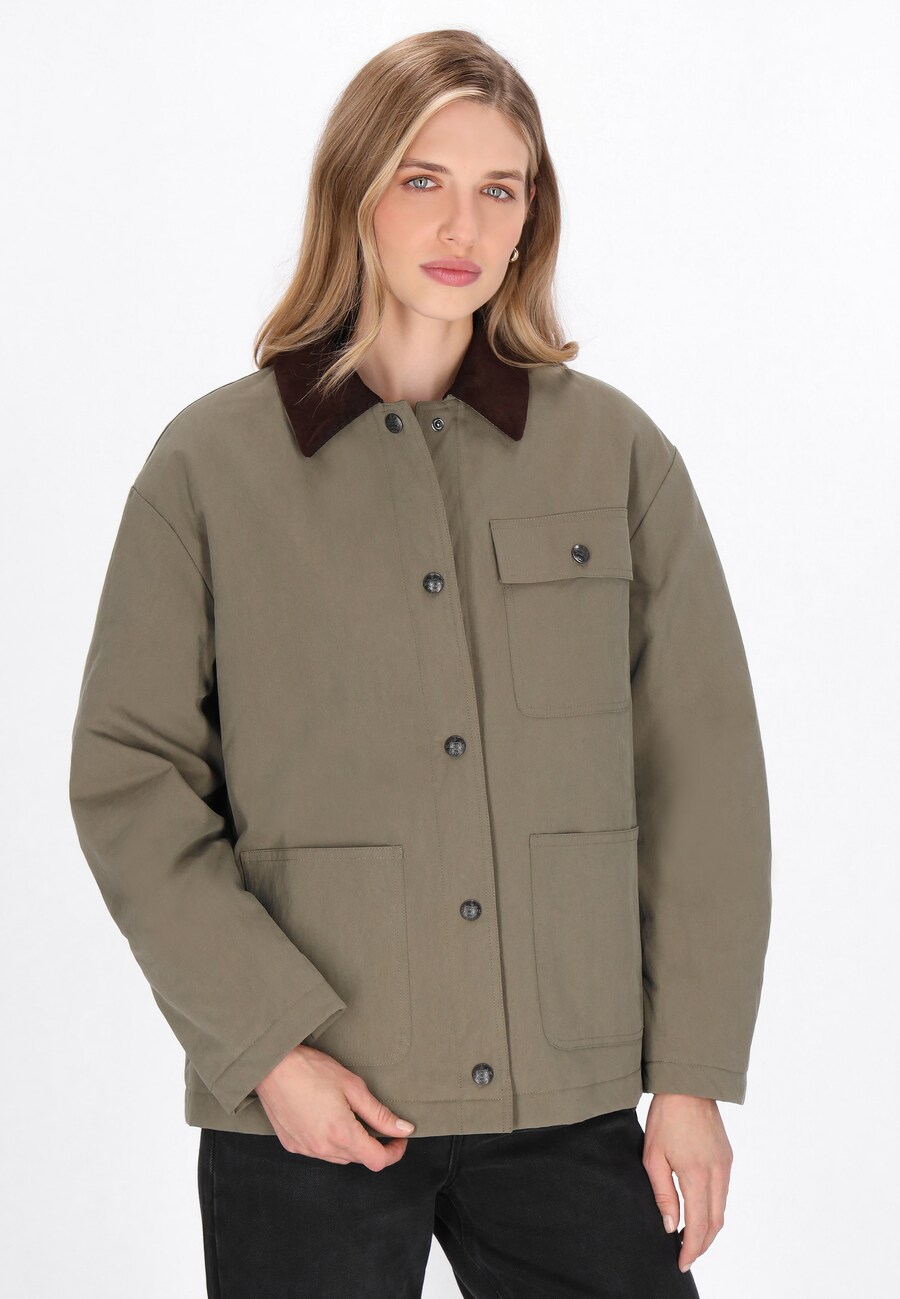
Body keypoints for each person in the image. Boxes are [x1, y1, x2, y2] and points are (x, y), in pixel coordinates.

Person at [68, 28, 772, 1299]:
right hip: (308, 1105)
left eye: (501, 188)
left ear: (531, 218)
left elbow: (701, 776)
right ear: (356, 190)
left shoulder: (614, 455)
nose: (463, 225)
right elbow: (132, 779)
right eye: (423, 179)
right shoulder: (209, 469)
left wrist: (691, 1075)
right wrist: (267, 1049)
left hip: (568, 1102)